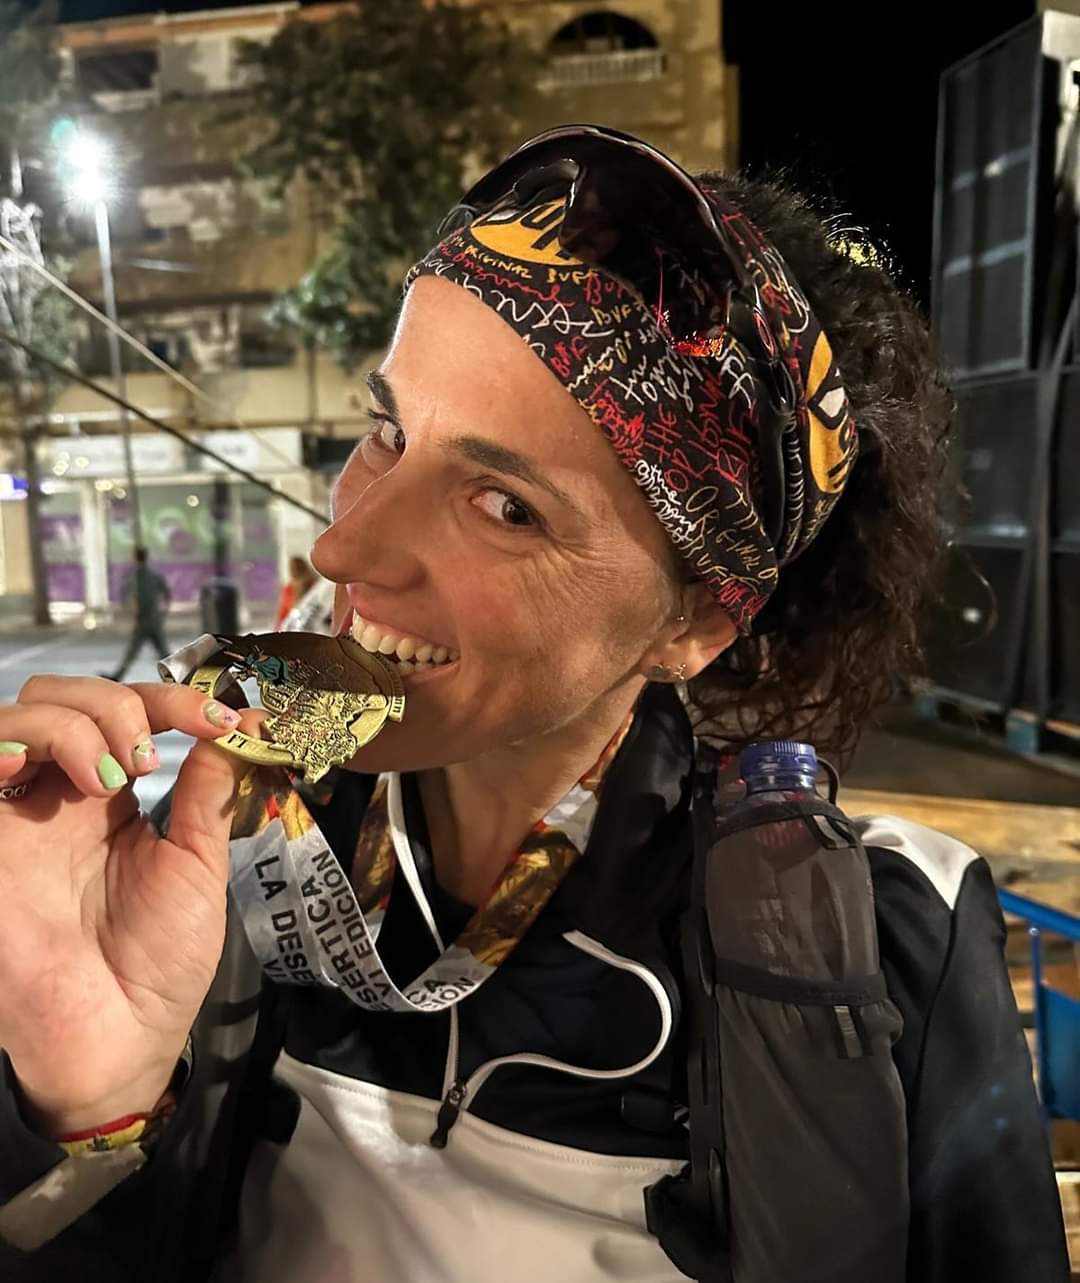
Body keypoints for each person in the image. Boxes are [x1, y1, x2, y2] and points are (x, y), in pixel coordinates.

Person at [0, 126, 1068, 1283]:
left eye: (507, 505)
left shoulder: (887, 943)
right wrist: (87, 1112)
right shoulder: (212, 854)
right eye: (389, 432)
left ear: (693, 625)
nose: (342, 545)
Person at [105, 546, 172, 681]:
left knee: (132, 652)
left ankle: (118, 676)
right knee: (163, 652)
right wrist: (163, 612)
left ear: (135, 558)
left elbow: (130, 598)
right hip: (154, 619)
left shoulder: (134, 577)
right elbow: (167, 593)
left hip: (142, 620)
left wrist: (131, 612)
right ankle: (180, 675)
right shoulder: (154, 575)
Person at [273, 556, 318, 630]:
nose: (294, 570)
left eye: (297, 568)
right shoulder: (288, 588)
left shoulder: (312, 586)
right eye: (292, 568)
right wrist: (277, 628)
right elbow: (283, 611)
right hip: (290, 625)